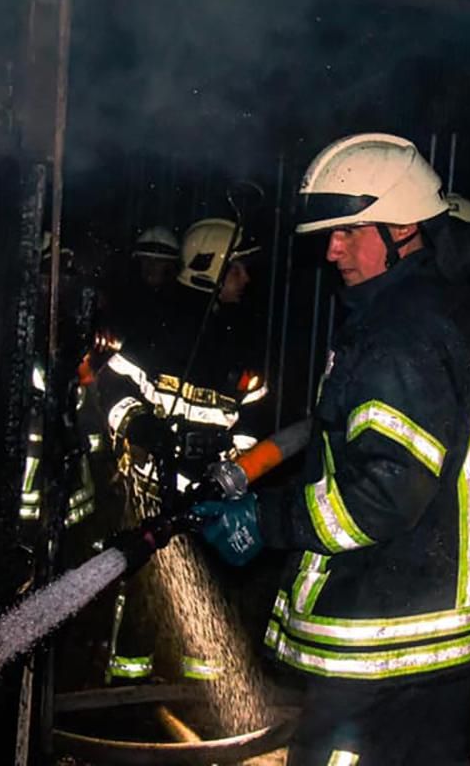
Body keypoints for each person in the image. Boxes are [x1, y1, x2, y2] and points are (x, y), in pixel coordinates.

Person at [194, 133, 470, 765]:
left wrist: (266, 520)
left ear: (404, 228)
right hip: (430, 620)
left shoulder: (402, 335)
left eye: (348, 231)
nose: (332, 249)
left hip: (390, 628)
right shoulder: (435, 306)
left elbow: (382, 496)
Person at [95, 216, 266, 683]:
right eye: (237, 269)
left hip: (212, 494)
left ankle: (201, 686)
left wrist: (236, 467)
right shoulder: (157, 327)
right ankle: (127, 685)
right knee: (147, 588)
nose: (245, 279)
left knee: (211, 590)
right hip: (153, 487)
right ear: (210, 267)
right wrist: (140, 424)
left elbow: (253, 417)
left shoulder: (242, 338)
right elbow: (112, 386)